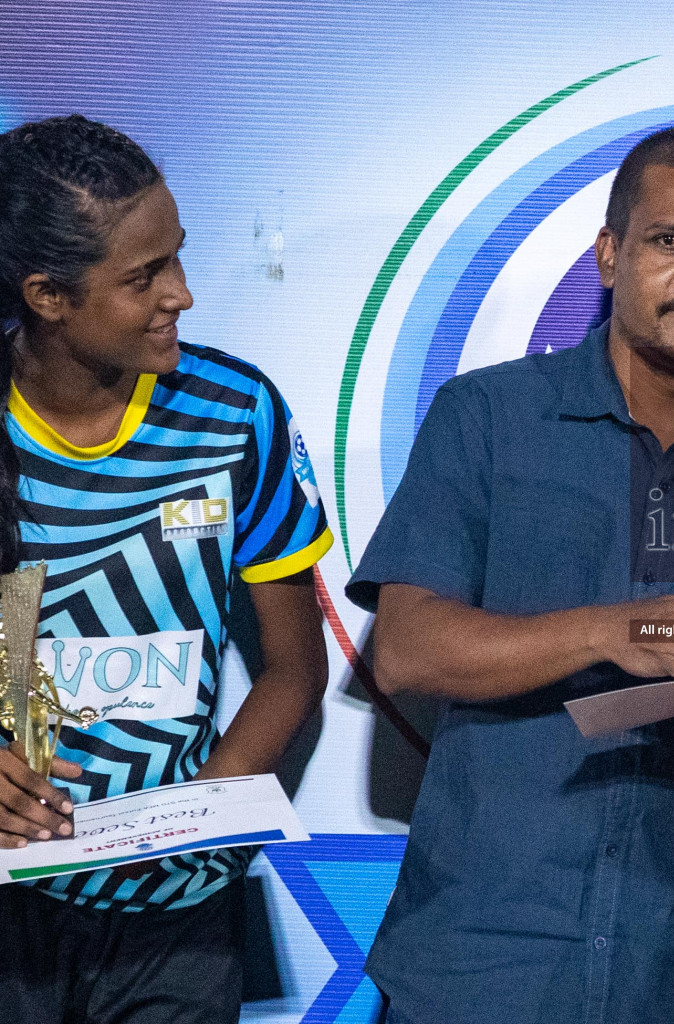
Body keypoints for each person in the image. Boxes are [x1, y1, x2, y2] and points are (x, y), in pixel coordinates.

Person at [346, 125, 674, 1024]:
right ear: (610, 254)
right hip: (482, 960)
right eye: (672, 241)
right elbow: (407, 651)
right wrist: (615, 631)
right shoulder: (489, 416)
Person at [0, 115, 331, 1022]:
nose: (181, 294)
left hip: (178, 920)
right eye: (144, 276)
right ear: (47, 295)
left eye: (176, 258)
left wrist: (201, 827)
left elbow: (296, 666)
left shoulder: (235, 413)